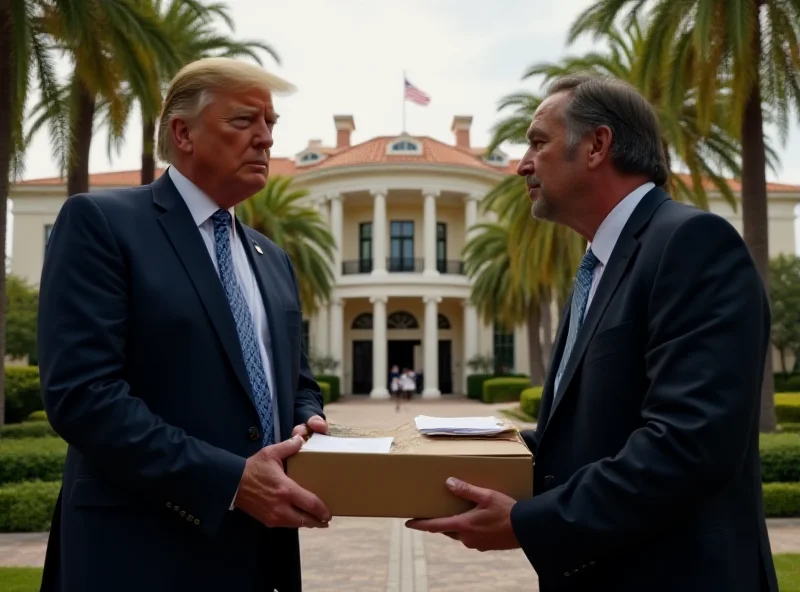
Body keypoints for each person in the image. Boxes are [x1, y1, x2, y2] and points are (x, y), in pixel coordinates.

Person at [406, 74, 778, 591]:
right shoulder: (600, 267)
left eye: (538, 142)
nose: (522, 165)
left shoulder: (691, 243)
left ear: (598, 145)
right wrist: (433, 460)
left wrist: (526, 523)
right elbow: (586, 437)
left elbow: (688, 445)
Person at [37, 57, 331, 592]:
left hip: (262, 558)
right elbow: (82, 396)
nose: (265, 139)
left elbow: (299, 384)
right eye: (245, 121)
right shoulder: (102, 224)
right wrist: (230, 482)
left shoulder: (272, 258)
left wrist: (306, 423)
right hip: (139, 555)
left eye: (271, 124)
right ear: (183, 132)